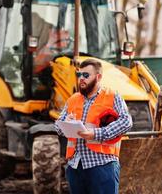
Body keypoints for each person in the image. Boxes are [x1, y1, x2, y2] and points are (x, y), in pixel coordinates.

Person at [55, 59, 132, 194]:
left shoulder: (112, 96)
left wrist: (97, 133)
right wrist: (65, 123)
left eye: (86, 75)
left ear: (98, 77)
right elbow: (57, 126)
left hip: (102, 165)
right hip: (75, 166)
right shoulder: (73, 99)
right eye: (79, 75)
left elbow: (126, 121)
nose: (81, 79)